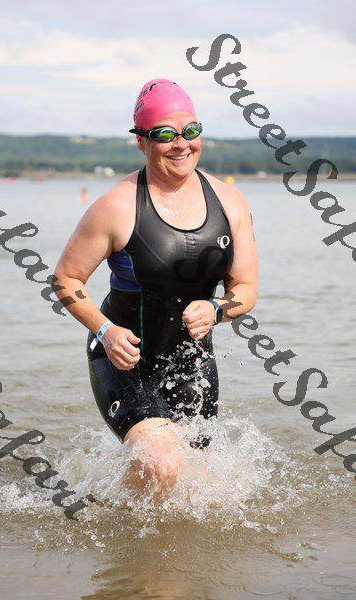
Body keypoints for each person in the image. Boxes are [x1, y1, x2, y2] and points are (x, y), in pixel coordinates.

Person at [54, 78, 258, 498]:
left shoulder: (230, 203)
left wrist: (217, 309)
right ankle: (111, 526)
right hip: (123, 356)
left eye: (191, 130)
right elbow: (66, 279)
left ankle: (113, 509)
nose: (181, 144)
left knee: (196, 486)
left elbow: (245, 288)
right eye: (165, 134)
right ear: (142, 142)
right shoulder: (116, 207)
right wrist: (105, 330)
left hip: (193, 362)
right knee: (161, 461)